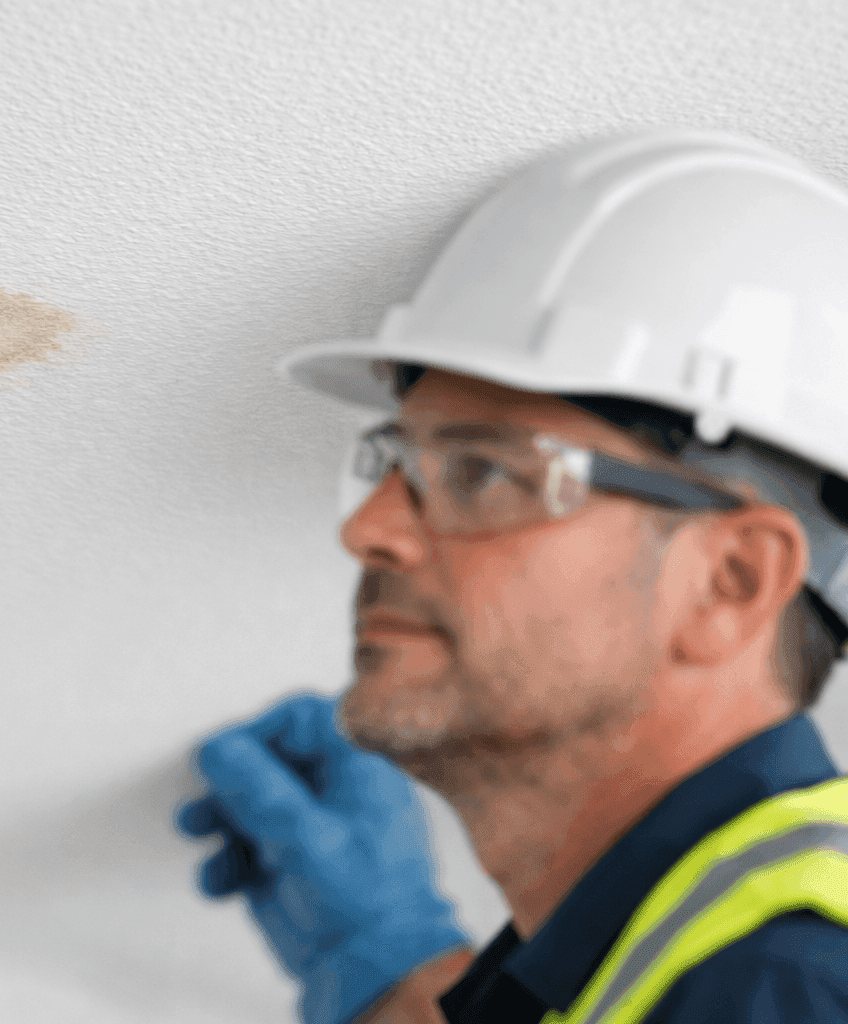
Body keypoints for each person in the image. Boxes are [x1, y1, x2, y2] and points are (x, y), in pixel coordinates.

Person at [176, 130, 848, 1024]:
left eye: (484, 471)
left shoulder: (796, 986)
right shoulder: (705, 946)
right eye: (394, 464)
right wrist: (380, 954)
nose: (367, 528)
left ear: (730, 581)